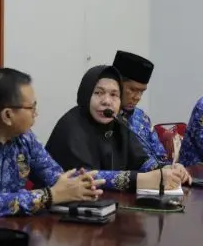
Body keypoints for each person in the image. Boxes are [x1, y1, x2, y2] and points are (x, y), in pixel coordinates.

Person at [0, 68, 104, 220]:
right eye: (32, 108)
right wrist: (49, 196)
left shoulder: (23, 137)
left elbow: (54, 177)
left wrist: (81, 184)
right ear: (7, 115)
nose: (36, 114)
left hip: (13, 232)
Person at [45, 65, 187, 192]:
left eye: (114, 95)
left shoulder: (118, 123)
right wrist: (138, 180)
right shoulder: (70, 126)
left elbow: (141, 160)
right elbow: (82, 177)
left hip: (108, 204)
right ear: (86, 94)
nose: (107, 101)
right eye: (98, 93)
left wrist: (167, 169)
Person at [114, 50, 169, 163]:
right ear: (116, 84)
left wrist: (170, 168)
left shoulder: (142, 117)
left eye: (142, 92)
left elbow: (160, 155)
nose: (138, 97)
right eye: (133, 90)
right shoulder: (105, 119)